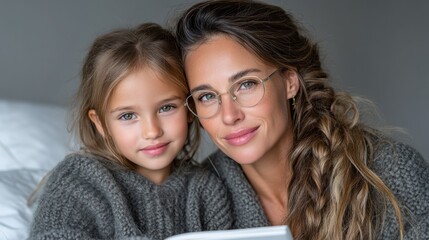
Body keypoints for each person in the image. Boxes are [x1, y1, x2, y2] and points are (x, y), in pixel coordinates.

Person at [174, 0, 429, 239]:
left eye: (246, 84)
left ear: (289, 82)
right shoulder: (193, 200)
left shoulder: (389, 173)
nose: (229, 115)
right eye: (207, 96)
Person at [29, 23, 233, 240]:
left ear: (190, 108)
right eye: (128, 116)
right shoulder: (80, 180)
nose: (152, 131)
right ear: (100, 124)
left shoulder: (207, 189)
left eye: (166, 108)